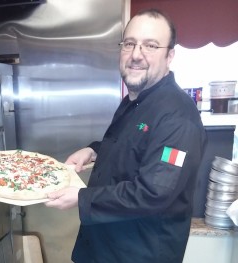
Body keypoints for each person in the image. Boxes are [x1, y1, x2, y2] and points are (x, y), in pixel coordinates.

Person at [45, 8, 206, 263]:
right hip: (102, 245)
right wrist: (94, 149)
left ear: (170, 55)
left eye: (150, 46)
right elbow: (131, 145)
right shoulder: (135, 100)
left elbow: (154, 192)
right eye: (129, 44)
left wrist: (81, 197)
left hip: (138, 252)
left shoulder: (178, 118)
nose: (136, 55)